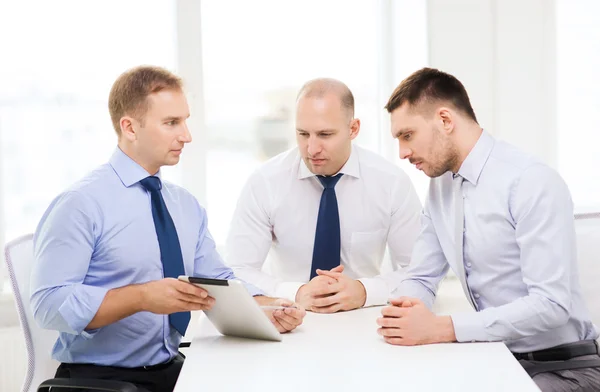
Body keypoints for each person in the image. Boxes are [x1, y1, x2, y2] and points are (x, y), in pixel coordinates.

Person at [30, 65, 306, 392]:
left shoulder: (184, 205)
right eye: (172, 123)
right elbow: (49, 306)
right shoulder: (81, 203)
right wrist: (142, 297)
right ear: (130, 128)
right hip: (99, 381)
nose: (186, 135)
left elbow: (217, 282)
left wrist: (267, 308)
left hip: (169, 368)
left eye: (185, 120)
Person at [376, 67, 600, 391]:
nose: (403, 153)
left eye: (407, 136)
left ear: (445, 120)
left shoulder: (530, 181)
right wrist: (405, 313)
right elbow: (422, 276)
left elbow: (551, 305)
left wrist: (441, 328)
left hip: (566, 368)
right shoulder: (440, 188)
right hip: (497, 357)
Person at [225, 78, 422, 313]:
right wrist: (295, 293)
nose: (312, 149)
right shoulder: (265, 183)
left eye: (325, 134)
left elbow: (421, 270)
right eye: (303, 134)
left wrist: (365, 291)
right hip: (287, 317)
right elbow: (237, 271)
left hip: (365, 320)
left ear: (353, 129)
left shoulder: (391, 183)